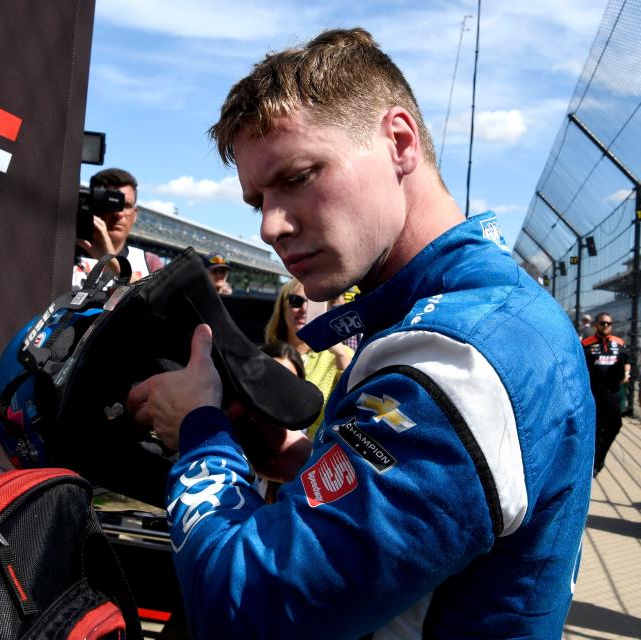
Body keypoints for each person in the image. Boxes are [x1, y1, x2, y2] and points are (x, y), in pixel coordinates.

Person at [125, 28, 593, 638]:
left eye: (297, 176)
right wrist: (302, 461)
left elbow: (244, 611)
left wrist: (200, 432)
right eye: (256, 198)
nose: (269, 225)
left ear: (399, 142)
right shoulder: (477, 311)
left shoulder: (459, 359)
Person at [264, 278, 352, 435]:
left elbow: (356, 401)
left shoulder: (340, 355)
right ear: (282, 307)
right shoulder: (263, 355)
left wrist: (339, 354)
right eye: (295, 301)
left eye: (312, 302)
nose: (304, 308)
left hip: (317, 453)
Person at [72, 168, 160, 289]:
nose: (118, 214)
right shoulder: (61, 253)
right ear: (93, 204)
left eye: (126, 205)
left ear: (135, 214)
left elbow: (157, 300)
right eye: (112, 203)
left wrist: (113, 262)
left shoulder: (148, 262)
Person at [582, 312, 631, 476]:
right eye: (602, 323)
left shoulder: (619, 343)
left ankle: (600, 456)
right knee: (595, 429)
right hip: (594, 395)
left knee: (615, 426)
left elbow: (628, 359)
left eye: (609, 324)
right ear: (596, 325)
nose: (606, 326)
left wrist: (627, 372)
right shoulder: (587, 344)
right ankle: (594, 463)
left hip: (614, 394)